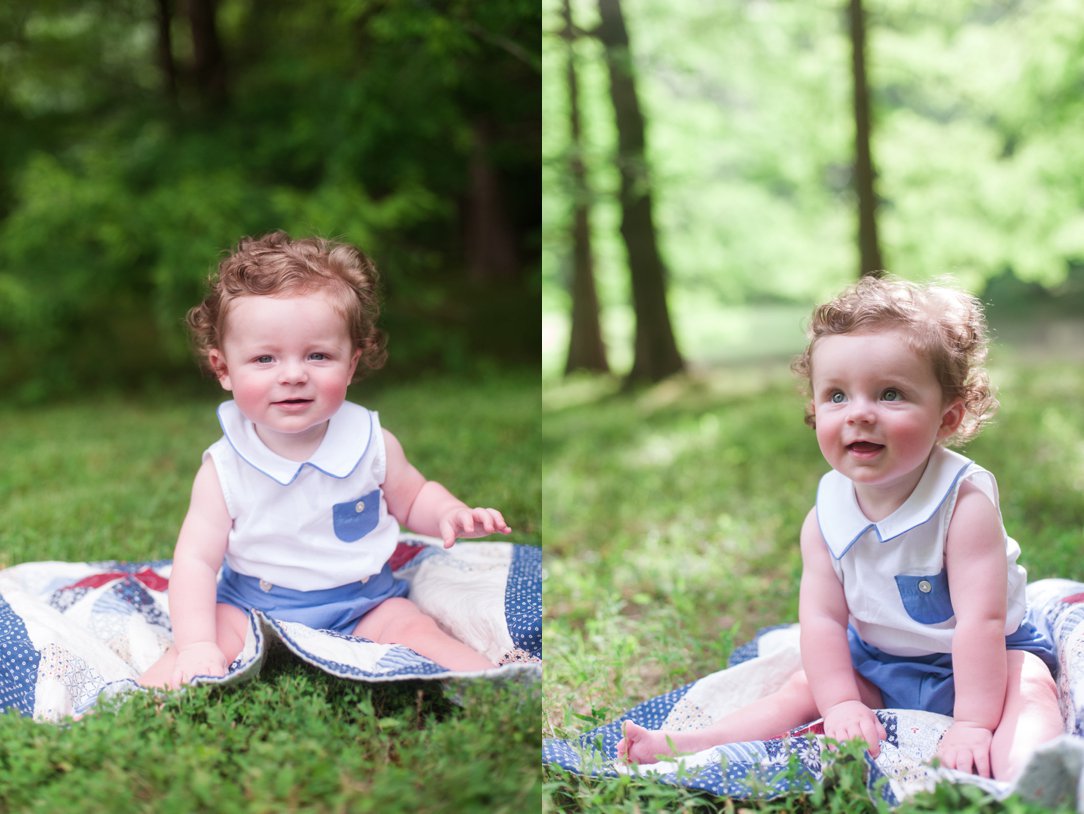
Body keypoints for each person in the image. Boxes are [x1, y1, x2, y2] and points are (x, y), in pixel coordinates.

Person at [617, 275, 1062, 781]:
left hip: (988, 661)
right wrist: (843, 704)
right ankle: (689, 744)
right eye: (836, 396)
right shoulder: (826, 517)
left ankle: (1035, 777)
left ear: (948, 417)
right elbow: (824, 621)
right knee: (805, 687)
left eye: (890, 394)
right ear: (814, 409)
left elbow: (981, 621)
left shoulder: (963, 504)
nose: (859, 414)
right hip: (881, 661)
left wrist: (973, 723)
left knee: (1030, 687)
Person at [139, 231, 511, 689]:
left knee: (416, 629)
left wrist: (450, 513)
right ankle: (133, 702)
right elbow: (196, 561)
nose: (294, 375)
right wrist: (197, 643)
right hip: (253, 605)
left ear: (351, 364)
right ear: (223, 369)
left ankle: (497, 685)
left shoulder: (370, 443)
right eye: (265, 359)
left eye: (318, 355)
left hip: (366, 602)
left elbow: (414, 498)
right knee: (199, 645)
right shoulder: (225, 468)